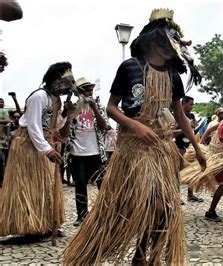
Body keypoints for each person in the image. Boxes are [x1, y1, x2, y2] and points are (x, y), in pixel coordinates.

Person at [63, 8, 206, 265]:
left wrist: (197, 147)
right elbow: (111, 108)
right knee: (150, 207)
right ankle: (106, 252)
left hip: (161, 150)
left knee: (163, 211)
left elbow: (180, 116)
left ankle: (142, 256)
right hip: (134, 151)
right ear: (154, 39)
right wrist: (136, 126)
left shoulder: (174, 76)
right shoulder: (129, 67)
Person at [0, 62, 75, 239]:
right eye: (65, 83)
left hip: (43, 145)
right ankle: (26, 226)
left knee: (44, 187)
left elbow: (56, 130)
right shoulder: (39, 96)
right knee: (27, 186)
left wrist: (69, 115)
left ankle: (45, 224)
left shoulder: (56, 101)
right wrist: (47, 150)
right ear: (56, 81)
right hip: (27, 145)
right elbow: (33, 126)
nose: (67, 88)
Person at [62, 77, 108, 226]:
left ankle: (104, 212)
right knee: (80, 183)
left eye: (91, 89)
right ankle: (82, 215)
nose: (89, 92)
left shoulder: (98, 107)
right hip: (77, 153)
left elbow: (104, 127)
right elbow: (63, 133)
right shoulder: (73, 108)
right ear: (79, 92)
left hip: (96, 152)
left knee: (102, 182)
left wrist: (94, 108)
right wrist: (69, 116)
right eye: (86, 90)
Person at [174, 95, 203, 202]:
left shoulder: (191, 115)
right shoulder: (176, 115)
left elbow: (193, 131)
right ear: (184, 103)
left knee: (191, 171)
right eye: (190, 104)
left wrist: (194, 127)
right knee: (177, 173)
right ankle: (176, 197)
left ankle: (190, 195)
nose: (192, 107)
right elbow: (171, 133)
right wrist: (186, 128)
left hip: (190, 148)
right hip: (178, 147)